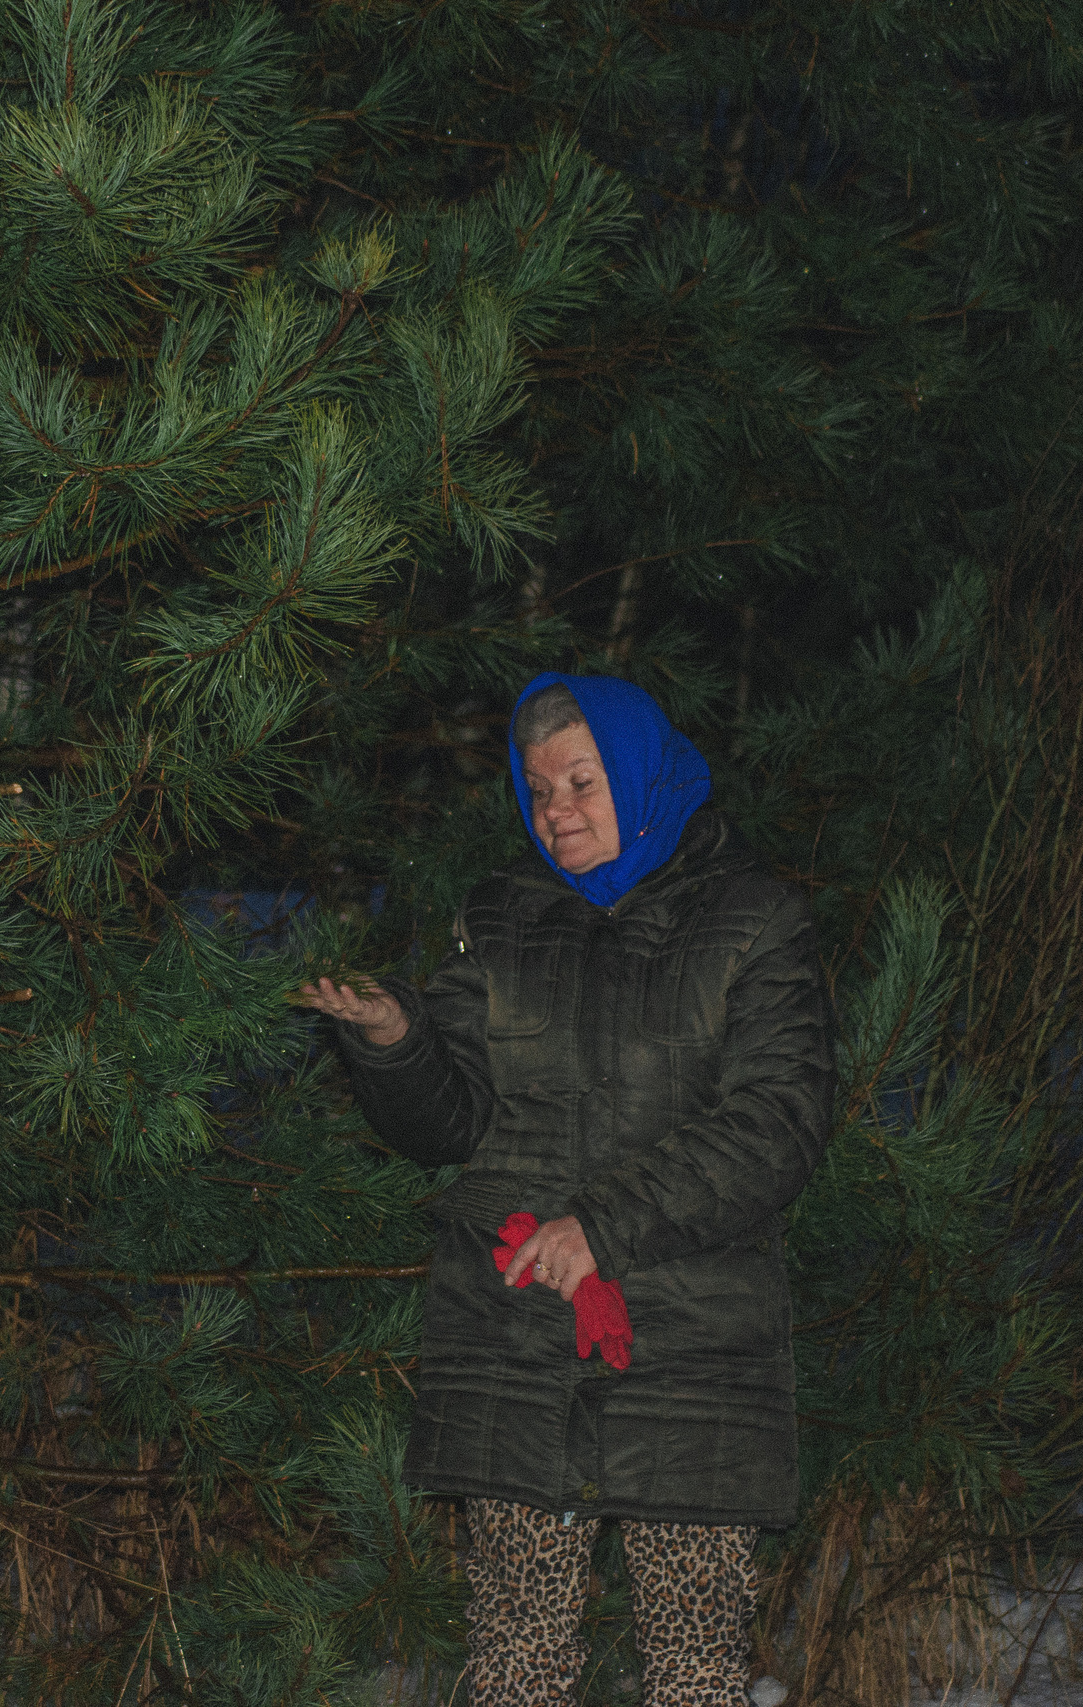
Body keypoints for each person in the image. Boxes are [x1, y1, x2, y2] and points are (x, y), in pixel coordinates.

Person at [300, 673, 833, 1707]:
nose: (557, 812)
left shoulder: (752, 918)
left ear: (637, 772)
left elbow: (780, 1120)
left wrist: (604, 1225)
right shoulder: (499, 917)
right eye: (539, 790)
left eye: (583, 783)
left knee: (694, 1673)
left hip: (691, 1349)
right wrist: (394, 1041)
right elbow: (450, 1124)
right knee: (516, 1668)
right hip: (518, 1346)